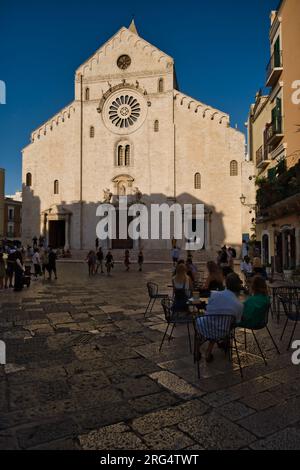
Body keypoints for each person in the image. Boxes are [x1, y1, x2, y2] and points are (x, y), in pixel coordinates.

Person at [196, 273, 243, 362]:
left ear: (226, 283)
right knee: (218, 325)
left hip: (206, 326)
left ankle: (198, 346)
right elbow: (236, 322)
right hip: (222, 331)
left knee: (207, 321)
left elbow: (208, 309)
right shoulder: (239, 305)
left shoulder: (213, 294)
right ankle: (208, 352)